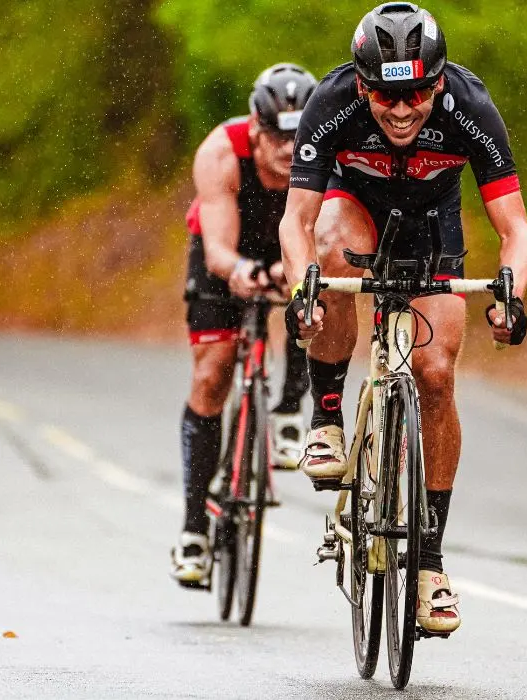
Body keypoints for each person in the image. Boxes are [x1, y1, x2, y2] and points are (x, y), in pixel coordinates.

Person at [278, 3, 527, 634]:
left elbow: (515, 228)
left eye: (417, 92)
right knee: (329, 252)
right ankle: (329, 418)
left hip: (431, 222)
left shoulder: (470, 108)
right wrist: (300, 292)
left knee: (437, 374)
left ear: (439, 81)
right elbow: (296, 221)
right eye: (386, 94)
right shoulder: (333, 101)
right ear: (362, 85)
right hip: (351, 206)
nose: (401, 109)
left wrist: (511, 298)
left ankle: (427, 564)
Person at [172, 63, 318, 586]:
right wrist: (243, 272)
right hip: (227, 252)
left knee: (316, 301)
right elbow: (216, 251)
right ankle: (193, 528)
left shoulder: (325, 152)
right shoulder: (220, 152)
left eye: (298, 135)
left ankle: (286, 410)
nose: (288, 147)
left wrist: (293, 272)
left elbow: (329, 232)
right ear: (256, 129)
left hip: (292, 249)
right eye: (278, 134)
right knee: (213, 373)